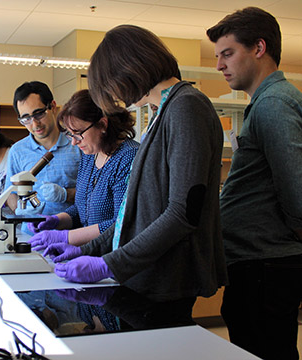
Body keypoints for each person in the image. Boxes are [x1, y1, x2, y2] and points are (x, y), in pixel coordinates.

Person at [44, 25, 227, 315]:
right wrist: (85, 250)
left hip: (167, 278)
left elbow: (183, 213)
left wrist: (107, 264)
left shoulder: (186, 107)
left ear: (129, 70)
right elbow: (134, 214)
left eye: (111, 85)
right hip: (144, 274)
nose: (115, 97)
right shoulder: (162, 111)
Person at [207, 8, 302, 360]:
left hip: (266, 265)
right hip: (257, 263)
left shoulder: (274, 104)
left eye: (228, 53)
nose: (219, 65)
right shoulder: (265, 103)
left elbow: (297, 192)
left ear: (259, 48)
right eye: (217, 56)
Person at [27, 89, 139, 250]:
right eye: (70, 135)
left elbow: (120, 223)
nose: (74, 142)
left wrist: (65, 237)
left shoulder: (128, 157)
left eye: (78, 134)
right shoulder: (89, 155)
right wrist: (57, 220)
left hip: (113, 258)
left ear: (102, 124)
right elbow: (82, 209)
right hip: (89, 252)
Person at [5, 81, 81, 221]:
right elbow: (10, 192)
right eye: (26, 118)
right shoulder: (17, 151)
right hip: (31, 233)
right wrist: (19, 210)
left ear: (52, 107)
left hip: (71, 233)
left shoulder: (77, 144)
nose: (34, 124)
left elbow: (94, 193)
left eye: (39, 114)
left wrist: (66, 194)